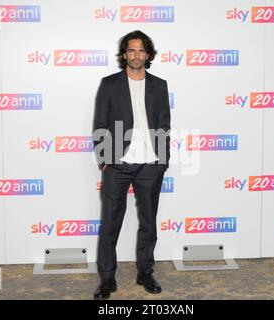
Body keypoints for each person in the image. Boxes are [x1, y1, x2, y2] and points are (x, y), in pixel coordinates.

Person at [91, 30, 171, 300]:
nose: (136, 55)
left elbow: (164, 125)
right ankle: (107, 278)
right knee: (110, 223)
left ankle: (145, 272)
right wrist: (106, 160)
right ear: (124, 54)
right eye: (131, 50)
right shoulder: (110, 84)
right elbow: (100, 124)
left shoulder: (159, 85)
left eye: (141, 50)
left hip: (150, 165)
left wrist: (163, 160)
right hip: (118, 165)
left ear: (148, 55)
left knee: (148, 222)